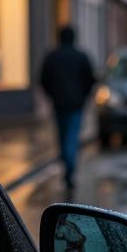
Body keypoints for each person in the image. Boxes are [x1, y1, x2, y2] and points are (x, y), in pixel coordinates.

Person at [38, 25, 96, 190]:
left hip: (59, 105)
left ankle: (67, 165)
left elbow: (43, 79)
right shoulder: (81, 56)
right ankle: (69, 168)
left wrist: (52, 96)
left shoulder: (52, 57)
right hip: (76, 105)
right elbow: (90, 80)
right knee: (71, 137)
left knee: (63, 137)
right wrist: (83, 97)